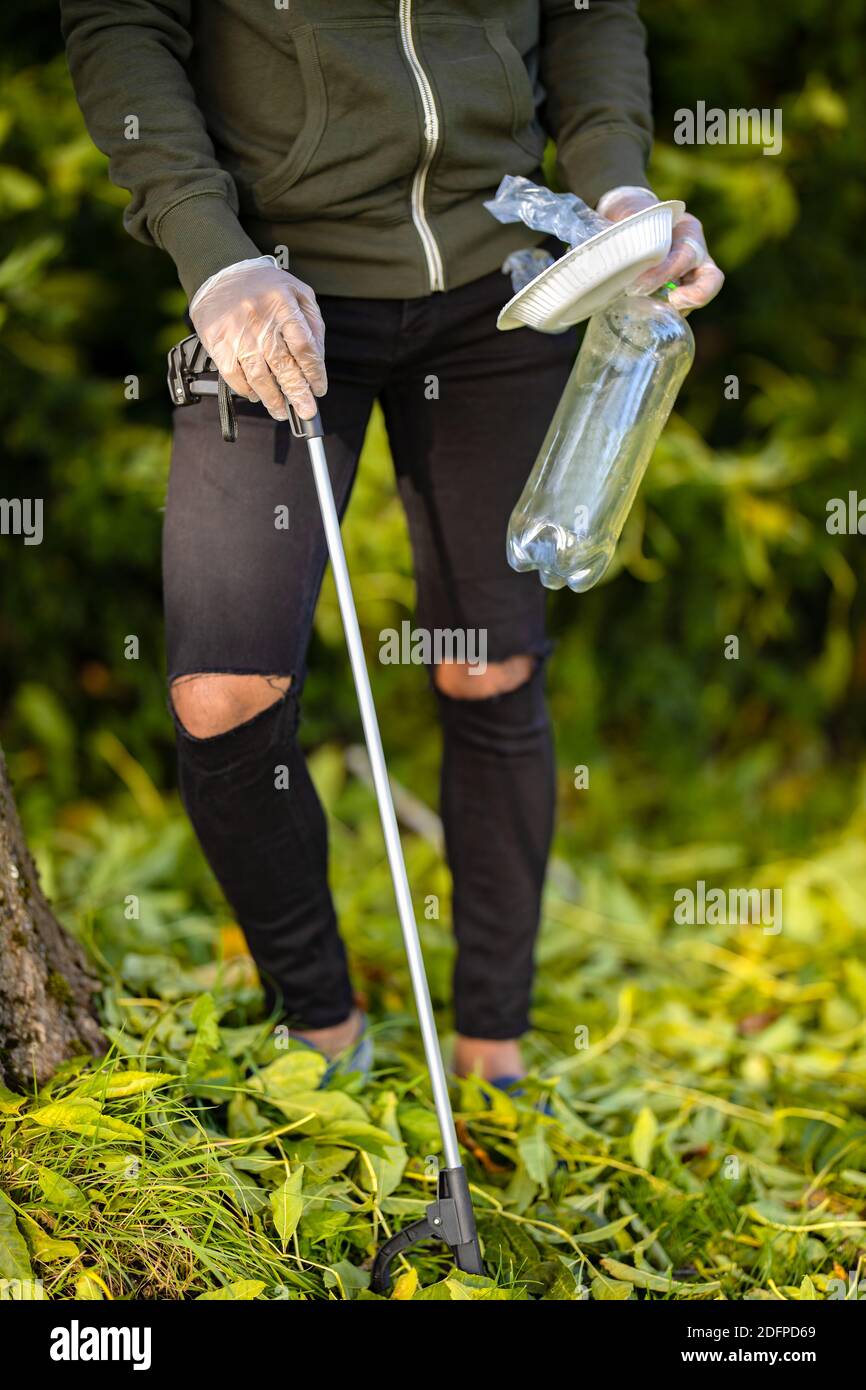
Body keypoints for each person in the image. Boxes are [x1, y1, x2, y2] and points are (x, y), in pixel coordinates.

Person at [61, 1, 722, 1084]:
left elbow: (589, 12)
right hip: (273, 284)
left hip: (499, 295)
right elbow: (120, 24)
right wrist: (212, 254)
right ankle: (319, 1032)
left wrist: (619, 192)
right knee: (223, 691)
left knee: (488, 667)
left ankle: (493, 1058)